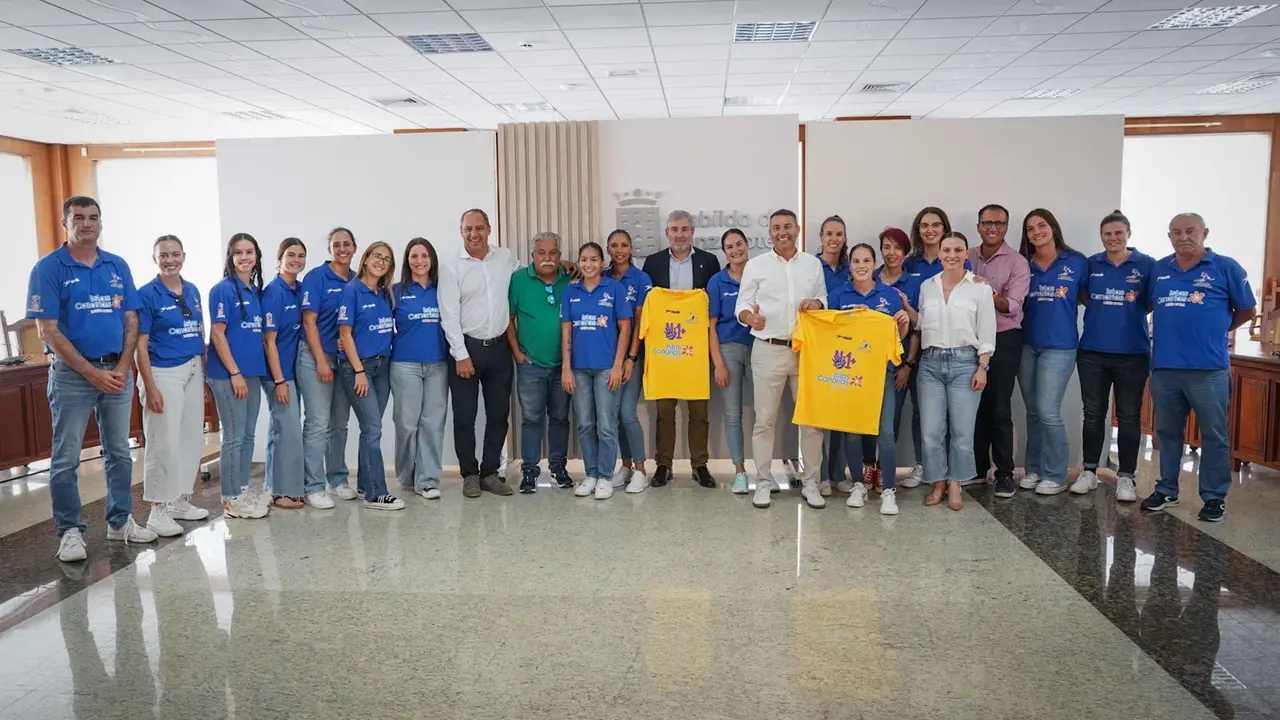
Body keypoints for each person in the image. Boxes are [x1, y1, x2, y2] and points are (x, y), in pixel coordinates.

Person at [27, 196, 158, 562]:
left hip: (117, 372)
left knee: (119, 452)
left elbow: (132, 321)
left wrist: (122, 366)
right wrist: (90, 372)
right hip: (73, 377)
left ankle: (121, 522)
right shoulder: (48, 268)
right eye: (79, 217)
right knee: (66, 457)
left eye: (94, 217)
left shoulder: (117, 266)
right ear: (64, 222)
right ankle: (69, 531)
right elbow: (47, 331)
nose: (87, 223)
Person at [1143, 213, 1255, 522]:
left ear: (1204, 232)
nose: (1183, 237)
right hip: (1165, 368)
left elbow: (1246, 310)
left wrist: (1217, 328)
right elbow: (1146, 306)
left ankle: (1214, 496)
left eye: (1190, 231)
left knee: (1214, 436)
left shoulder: (1225, 267)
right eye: (1176, 233)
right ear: (1169, 237)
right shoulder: (1159, 270)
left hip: (1209, 369)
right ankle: (1166, 489)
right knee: (1166, 433)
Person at [735, 209, 826, 509]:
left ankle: (811, 482)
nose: (782, 232)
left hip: (805, 351)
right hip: (767, 349)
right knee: (764, 420)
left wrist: (817, 303)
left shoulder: (813, 264)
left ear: (798, 229)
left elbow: (823, 299)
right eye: (776, 227)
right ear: (770, 232)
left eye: (788, 226)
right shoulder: (756, 265)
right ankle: (762, 481)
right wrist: (750, 318)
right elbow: (742, 304)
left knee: (811, 421)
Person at [828, 243, 912, 515]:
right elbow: (829, 335)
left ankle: (888, 490)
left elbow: (898, 339)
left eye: (866, 260)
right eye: (855, 261)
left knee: (885, 433)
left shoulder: (890, 295)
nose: (861, 265)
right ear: (849, 265)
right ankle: (858, 486)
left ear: (873, 263)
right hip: (851, 377)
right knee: (852, 434)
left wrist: (902, 324)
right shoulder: (838, 296)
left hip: (882, 374)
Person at [1075, 211, 1154, 501]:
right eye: (1108, 233)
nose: (1113, 238)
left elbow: (1150, 302)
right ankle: (1089, 472)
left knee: (1130, 417)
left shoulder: (1147, 265)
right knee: (1093, 414)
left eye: (1118, 233)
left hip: (1132, 354)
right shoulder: (1091, 264)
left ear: (1128, 234)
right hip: (1093, 352)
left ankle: (1126, 478)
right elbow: (1083, 295)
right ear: (1101, 236)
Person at [439, 209, 517, 499]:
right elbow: (449, 315)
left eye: (479, 228)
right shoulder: (451, 267)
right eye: (468, 229)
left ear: (489, 229)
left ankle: (489, 473)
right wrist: (460, 354)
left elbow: (530, 272)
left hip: (498, 349)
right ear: (461, 232)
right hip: (466, 349)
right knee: (465, 418)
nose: (474, 234)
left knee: (499, 415)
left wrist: (563, 265)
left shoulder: (505, 258)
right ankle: (469, 475)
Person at [640, 210, 721, 488]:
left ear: (692, 231)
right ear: (667, 233)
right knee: (664, 411)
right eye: (674, 229)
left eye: (685, 229)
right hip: (664, 350)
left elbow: (712, 306)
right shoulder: (653, 263)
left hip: (696, 350)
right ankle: (663, 465)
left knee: (699, 411)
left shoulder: (709, 262)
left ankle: (700, 465)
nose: (680, 234)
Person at [134, 235, 208, 538]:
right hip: (162, 372)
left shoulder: (191, 290)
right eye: (163, 255)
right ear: (155, 259)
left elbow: (197, 331)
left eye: (175, 254)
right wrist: (149, 386)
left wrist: (201, 373)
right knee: (163, 442)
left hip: (192, 368)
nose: (170, 260)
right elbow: (140, 345)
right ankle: (157, 510)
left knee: (191, 437)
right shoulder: (146, 294)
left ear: (184, 257)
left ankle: (179, 500)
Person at [916, 232, 995, 511]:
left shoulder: (980, 289)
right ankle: (937, 481)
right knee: (931, 432)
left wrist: (982, 367)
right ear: (938, 253)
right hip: (931, 364)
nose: (952, 255)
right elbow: (921, 324)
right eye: (946, 250)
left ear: (966, 253)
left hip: (966, 364)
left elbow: (987, 332)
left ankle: (956, 483)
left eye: (957, 250)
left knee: (962, 432)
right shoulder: (927, 286)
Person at [1018, 209, 1088, 496]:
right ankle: (1033, 469)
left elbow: (1086, 298)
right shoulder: (1024, 265)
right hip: (1027, 345)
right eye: (1030, 229)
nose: (1036, 232)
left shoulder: (1076, 262)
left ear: (1053, 227)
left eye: (1041, 225)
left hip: (1060, 347)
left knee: (1048, 410)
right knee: (1033, 411)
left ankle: (1057, 474)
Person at [561, 242, 633, 500]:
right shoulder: (571, 292)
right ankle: (591, 474)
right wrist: (566, 368)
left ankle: (605, 476)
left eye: (593, 259)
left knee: (606, 424)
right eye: (583, 259)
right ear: (579, 263)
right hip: (579, 369)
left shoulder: (614, 289)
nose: (588, 264)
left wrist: (618, 365)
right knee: (585, 424)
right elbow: (566, 331)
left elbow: (625, 328)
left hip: (606, 368)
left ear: (602, 262)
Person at [968, 203, 1031, 498]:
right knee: (975, 406)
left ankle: (1005, 473)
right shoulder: (966, 255)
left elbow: (1013, 307)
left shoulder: (1017, 262)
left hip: (1005, 339)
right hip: (971, 340)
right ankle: (978, 469)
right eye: (987, 223)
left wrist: (987, 290)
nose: (993, 228)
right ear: (978, 226)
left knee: (1000, 407)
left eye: (1000, 223)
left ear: (1007, 228)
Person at [336, 241, 403, 511]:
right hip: (358, 368)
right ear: (365, 259)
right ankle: (377, 494)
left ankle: (365, 484)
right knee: (373, 428)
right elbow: (345, 334)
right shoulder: (352, 291)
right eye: (377, 256)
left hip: (382, 367)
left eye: (387, 259)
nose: (381, 262)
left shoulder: (386, 293)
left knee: (370, 429)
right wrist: (359, 371)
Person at [506, 232, 574, 494]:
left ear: (560, 255)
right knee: (532, 419)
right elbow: (509, 319)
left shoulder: (571, 277)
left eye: (553, 253)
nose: (547, 258)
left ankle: (558, 468)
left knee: (559, 418)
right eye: (541, 253)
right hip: (530, 364)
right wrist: (517, 354)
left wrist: (572, 265)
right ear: (532, 256)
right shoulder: (519, 280)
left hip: (563, 365)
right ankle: (530, 472)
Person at [208, 233, 269, 519]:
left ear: (257, 256)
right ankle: (231, 498)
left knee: (246, 436)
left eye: (250, 252)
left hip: (253, 374)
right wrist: (234, 373)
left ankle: (242, 489)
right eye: (238, 252)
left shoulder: (255, 292)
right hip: (229, 375)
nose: (244, 257)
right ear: (230, 257)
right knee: (232, 437)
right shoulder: (223, 290)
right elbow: (217, 334)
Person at [298, 228, 356, 505]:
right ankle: (313, 486)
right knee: (317, 423)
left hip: (344, 361)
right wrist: (321, 359)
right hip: (315, 357)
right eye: (336, 245)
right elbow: (309, 321)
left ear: (355, 248)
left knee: (339, 424)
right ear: (330, 250)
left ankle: (338, 479)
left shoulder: (357, 280)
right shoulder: (316, 278)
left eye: (346, 244)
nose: (342, 249)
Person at [391, 238, 450, 500]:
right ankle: (406, 475)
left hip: (438, 363)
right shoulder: (395, 291)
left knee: (432, 423)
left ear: (432, 259)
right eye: (414, 256)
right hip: (405, 365)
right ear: (407, 261)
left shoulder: (443, 289)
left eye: (424, 255)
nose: (419, 261)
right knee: (406, 423)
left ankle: (427, 480)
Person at [709, 229, 761, 496]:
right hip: (728, 351)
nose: (735, 250)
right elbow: (711, 326)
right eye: (729, 247)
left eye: (739, 244)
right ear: (724, 251)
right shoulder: (717, 282)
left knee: (764, 414)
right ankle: (740, 472)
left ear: (747, 244)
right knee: (733, 415)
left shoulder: (761, 275)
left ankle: (763, 472)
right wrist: (718, 363)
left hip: (759, 349)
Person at [873, 226, 922, 489]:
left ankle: (885, 471)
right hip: (867, 364)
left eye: (898, 248)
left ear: (905, 252)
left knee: (892, 420)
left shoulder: (912, 284)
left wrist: (907, 365)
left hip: (897, 363)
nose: (892, 253)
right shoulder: (869, 278)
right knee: (868, 419)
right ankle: (869, 467)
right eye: (887, 247)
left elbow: (916, 330)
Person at [262, 238, 308, 509]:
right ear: (279, 258)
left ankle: (272, 485)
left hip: (295, 369)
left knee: (279, 428)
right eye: (291, 255)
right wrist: (279, 380)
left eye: (301, 256)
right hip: (278, 373)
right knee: (289, 429)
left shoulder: (299, 289)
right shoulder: (274, 293)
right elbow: (269, 341)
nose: (296, 260)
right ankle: (285, 492)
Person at [606, 229, 653, 493]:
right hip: (607, 357)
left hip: (632, 357)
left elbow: (639, 323)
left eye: (624, 245)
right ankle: (624, 466)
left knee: (627, 412)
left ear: (631, 248)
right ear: (608, 249)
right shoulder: (601, 276)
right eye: (614, 245)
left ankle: (640, 469)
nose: (620, 250)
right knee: (613, 414)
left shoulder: (641, 278)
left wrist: (631, 357)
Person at [816, 215, 852, 496]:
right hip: (818, 347)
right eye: (829, 233)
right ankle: (821, 474)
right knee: (819, 415)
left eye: (838, 234)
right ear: (821, 236)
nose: (834, 239)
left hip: (847, 349)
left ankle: (840, 473)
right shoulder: (810, 266)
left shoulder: (853, 268)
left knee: (841, 413)